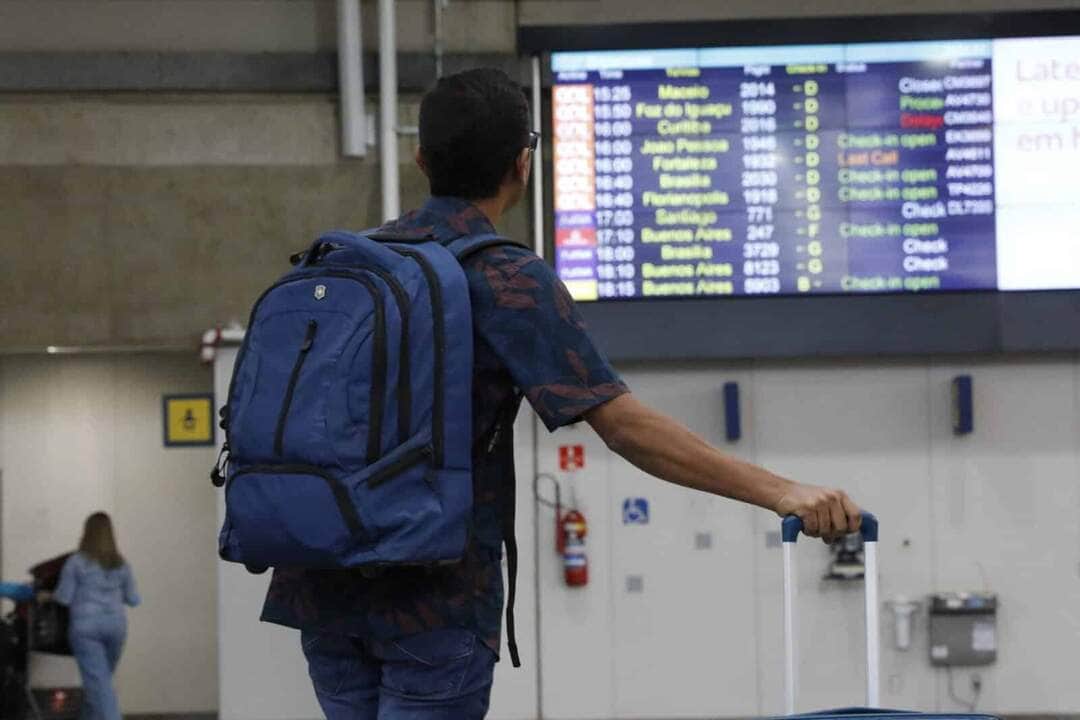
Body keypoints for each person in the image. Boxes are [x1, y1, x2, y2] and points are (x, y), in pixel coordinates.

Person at [261, 67, 862, 719]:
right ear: (522, 164)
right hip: (435, 597)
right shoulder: (501, 274)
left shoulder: (347, 262)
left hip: (321, 583)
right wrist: (781, 491)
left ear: (420, 158)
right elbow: (624, 426)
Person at [54, 512, 140, 720]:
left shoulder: (76, 562)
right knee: (99, 685)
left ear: (86, 533)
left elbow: (64, 598)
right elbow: (133, 599)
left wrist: (48, 594)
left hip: (86, 629)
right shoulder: (121, 564)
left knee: (100, 688)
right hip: (116, 628)